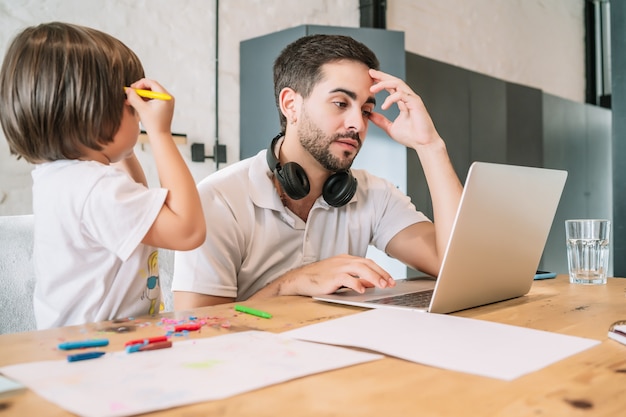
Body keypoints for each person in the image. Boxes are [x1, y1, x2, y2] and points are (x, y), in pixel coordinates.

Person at [172, 34, 462, 308]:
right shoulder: (218, 200)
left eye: (364, 110)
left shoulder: (373, 194)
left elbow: (455, 263)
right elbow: (199, 331)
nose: (357, 125)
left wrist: (429, 146)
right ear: (291, 105)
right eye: (340, 103)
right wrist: (291, 283)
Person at [0, 22, 206, 328]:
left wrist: (124, 149)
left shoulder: (60, 178)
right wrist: (160, 133)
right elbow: (188, 231)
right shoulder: (95, 187)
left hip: (76, 343)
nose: (138, 116)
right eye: (132, 107)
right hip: (99, 352)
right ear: (97, 111)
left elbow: (138, 205)